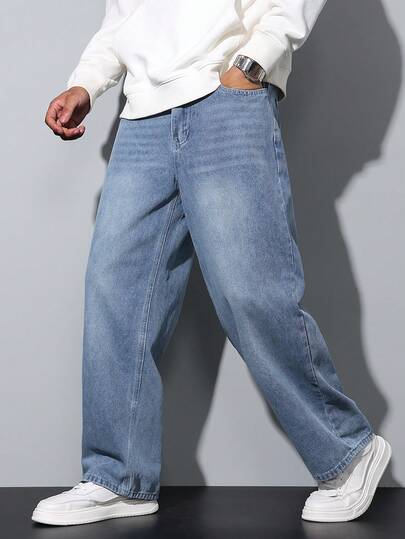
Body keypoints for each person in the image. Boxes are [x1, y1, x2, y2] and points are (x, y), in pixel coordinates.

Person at [33, 0, 391, 526]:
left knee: (249, 292)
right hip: (141, 117)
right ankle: (117, 478)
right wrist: (85, 83)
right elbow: (122, 20)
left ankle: (348, 452)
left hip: (224, 98)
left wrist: (254, 62)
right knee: (115, 294)